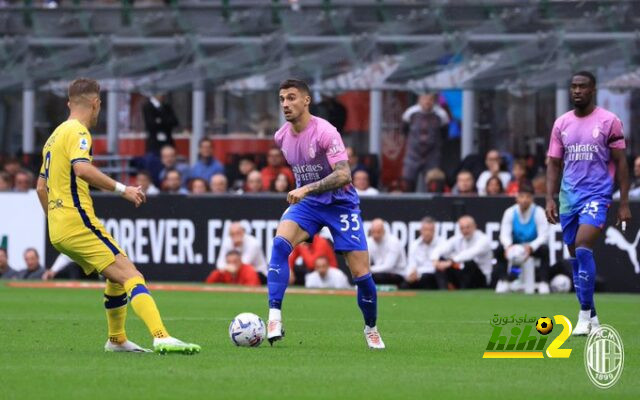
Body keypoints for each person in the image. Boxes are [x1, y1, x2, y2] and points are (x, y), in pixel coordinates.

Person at [35, 78, 199, 353]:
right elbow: (82, 170)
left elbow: (41, 187)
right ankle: (161, 335)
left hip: (58, 227)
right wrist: (123, 189)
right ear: (95, 103)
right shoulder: (78, 132)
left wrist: (55, 220)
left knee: (115, 276)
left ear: (69, 103)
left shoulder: (54, 137)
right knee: (132, 275)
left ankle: (117, 339)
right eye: (100, 103)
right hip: (77, 220)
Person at [265, 79, 384, 349]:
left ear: (306, 101)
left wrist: (306, 188)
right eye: (282, 98)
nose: (286, 104)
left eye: (292, 98)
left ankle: (371, 328)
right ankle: (274, 317)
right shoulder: (281, 136)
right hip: (309, 204)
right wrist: (306, 192)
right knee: (279, 245)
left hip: (341, 204)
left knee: (361, 274)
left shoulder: (325, 132)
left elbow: (344, 174)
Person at [545, 71, 630, 336]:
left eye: (582, 87)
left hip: (597, 195)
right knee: (575, 257)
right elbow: (554, 164)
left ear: (593, 90)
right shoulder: (561, 124)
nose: (577, 91)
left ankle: (582, 317)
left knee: (583, 248)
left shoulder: (609, 121)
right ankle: (592, 317)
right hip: (569, 197)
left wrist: (623, 202)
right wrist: (549, 197)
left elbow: (621, 163)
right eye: (573, 87)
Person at [495, 183, 550, 294]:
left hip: (532, 247)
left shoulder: (539, 212)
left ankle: (544, 282)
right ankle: (503, 280)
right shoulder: (510, 212)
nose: (524, 200)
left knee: (545, 250)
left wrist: (531, 247)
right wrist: (508, 247)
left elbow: (543, 235)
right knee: (499, 249)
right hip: (515, 247)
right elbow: (504, 234)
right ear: (517, 197)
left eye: (528, 197)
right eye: (522, 196)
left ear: (532, 199)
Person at [431, 216, 493, 289]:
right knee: (441, 261)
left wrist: (450, 262)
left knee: (469, 263)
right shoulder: (458, 238)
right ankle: (443, 291)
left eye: (467, 227)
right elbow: (441, 248)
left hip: (481, 277)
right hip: (463, 274)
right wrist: (435, 260)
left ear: (474, 227)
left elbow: (470, 253)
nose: (465, 230)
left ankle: (464, 291)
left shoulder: (483, 239)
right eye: (462, 228)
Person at [401, 93, 445, 192]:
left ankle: (434, 207)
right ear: (419, 99)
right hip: (413, 154)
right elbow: (404, 130)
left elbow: (444, 133)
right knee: (407, 182)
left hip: (432, 155)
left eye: (430, 99)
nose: (427, 102)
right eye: (424, 99)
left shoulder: (441, 114)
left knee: (434, 182)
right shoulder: (410, 113)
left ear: (434, 101)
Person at [404, 217, 442, 289]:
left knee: (426, 278)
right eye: (425, 230)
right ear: (420, 231)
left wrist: (418, 274)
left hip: (433, 277)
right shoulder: (414, 245)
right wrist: (411, 274)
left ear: (434, 231)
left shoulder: (441, 244)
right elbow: (411, 264)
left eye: (430, 230)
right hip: (418, 276)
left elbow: (435, 267)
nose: (427, 233)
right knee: (404, 285)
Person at [367, 219, 407, 285]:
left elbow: (388, 266)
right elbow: (366, 262)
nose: (376, 235)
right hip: (378, 274)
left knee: (377, 277)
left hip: (397, 274)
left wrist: (369, 270)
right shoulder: (369, 242)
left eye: (378, 232)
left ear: (383, 231)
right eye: (373, 232)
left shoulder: (393, 242)